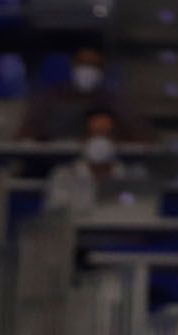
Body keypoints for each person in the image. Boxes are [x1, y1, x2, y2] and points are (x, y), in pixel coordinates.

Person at [16, 42, 154, 143]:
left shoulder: (115, 101)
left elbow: (143, 137)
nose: (87, 70)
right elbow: (25, 135)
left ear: (102, 71)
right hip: (52, 166)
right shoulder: (49, 98)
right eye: (83, 64)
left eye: (94, 66)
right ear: (73, 67)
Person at [43, 108, 150, 215]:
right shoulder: (62, 177)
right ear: (84, 140)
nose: (100, 141)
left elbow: (139, 214)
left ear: (116, 139)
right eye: (95, 134)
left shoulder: (135, 177)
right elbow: (58, 215)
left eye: (107, 135)